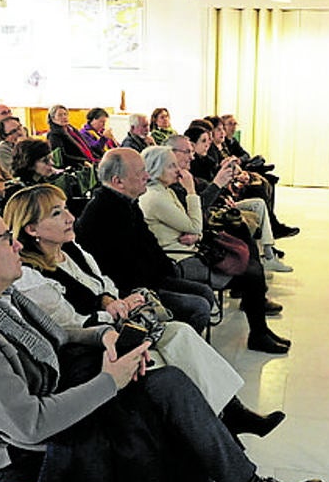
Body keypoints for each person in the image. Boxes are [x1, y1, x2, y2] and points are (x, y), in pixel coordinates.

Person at [0, 200, 326, 482]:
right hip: (17, 450)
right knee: (163, 410)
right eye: (5, 238)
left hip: (50, 400)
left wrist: (102, 337)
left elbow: (57, 336)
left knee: (167, 387)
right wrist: (111, 381)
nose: (17, 244)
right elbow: (29, 426)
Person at [2, 184, 284, 437]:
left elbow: (103, 282)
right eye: (56, 214)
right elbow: (69, 326)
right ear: (31, 229)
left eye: (65, 209)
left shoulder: (70, 249)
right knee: (168, 357)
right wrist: (114, 310)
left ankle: (229, 413)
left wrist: (113, 300)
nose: (69, 217)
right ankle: (215, 425)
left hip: (115, 323)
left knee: (181, 333)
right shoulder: (29, 274)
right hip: (89, 347)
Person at [138, 145, 290, 353]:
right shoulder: (156, 197)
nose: (178, 170)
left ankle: (260, 331)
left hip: (191, 250)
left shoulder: (164, 191)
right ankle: (259, 334)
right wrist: (191, 191)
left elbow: (193, 224)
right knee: (251, 273)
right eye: (171, 166)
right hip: (180, 261)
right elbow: (194, 223)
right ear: (156, 169)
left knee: (252, 266)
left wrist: (197, 233)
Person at [74, 148, 217, 334]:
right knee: (198, 307)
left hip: (150, 278)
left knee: (205, 292)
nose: (147, 176)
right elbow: (123, 268)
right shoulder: (103, 213)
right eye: (140, 172)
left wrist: (167, 272)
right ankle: (169, 347)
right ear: (118, 182)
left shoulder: (128, 202)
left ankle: (187, 346)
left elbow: (150, 244)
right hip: (128, 290)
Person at [168, 134, 291, 272]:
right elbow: (194, 211)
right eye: (188, 151)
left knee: (259, 196)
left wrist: (226, 185)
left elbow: (206, 189)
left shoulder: (204, 161)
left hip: (212, 211)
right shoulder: (175, 179)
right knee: (241, 223)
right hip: (203, 224)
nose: (192, 156)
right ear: (171, 152)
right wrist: (217, 184)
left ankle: (267, 255)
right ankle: (258, 265)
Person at [46, 104, 94, 168]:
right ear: (53, 119)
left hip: (88, 161)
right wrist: (83, 162)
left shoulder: (72, 130)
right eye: (60, 115)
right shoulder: (54, 135)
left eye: (65, 114)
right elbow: (61, 157)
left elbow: (86, 147)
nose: (64, 117)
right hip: (76, 167)